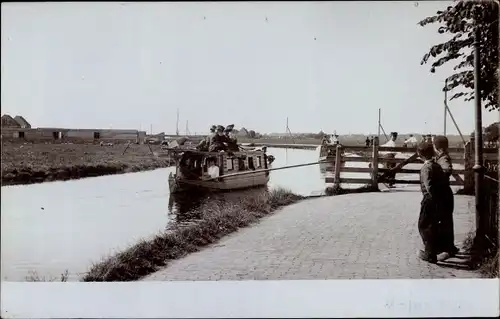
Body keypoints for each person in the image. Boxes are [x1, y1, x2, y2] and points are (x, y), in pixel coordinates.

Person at [417, 141, 448, 263]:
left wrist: (432, 198)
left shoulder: (426, 168)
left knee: (424, 225)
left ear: (421, 155)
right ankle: (435, 250)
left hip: (429, 200)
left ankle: (430, 254)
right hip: (438, 199)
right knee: (433, 225)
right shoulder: (437, 166)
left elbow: (428, 186)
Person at [433, 135, 459, 259]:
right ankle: (449, 247)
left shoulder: (443, 158)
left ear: (437, 147)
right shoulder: (441, 157)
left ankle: (447, 249)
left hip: (443, 192)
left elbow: (447, 169)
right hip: (444, 192)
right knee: (445, 220)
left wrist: (438, 176)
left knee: (444, 221)